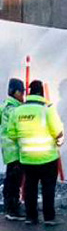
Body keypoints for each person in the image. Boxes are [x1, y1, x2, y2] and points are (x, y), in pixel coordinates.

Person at [6, 80, 64, 226]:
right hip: (47, 157)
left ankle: (31, 217)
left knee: (30, 187)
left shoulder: (17, 111)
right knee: (48, 187)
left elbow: (11, 134)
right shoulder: (47, 109)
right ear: (42, 93)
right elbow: (57, 131)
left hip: (26, 158)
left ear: (29, 92)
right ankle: (49, 218)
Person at [0, 78, 25, 221]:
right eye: (21, 93)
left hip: (7, 150)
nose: (23, 96)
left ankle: (9, 206)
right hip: (16, 150)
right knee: (15, 180)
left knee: (10, 178)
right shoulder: (16, 110)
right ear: (15, 92)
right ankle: (13, 209)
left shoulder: (3, 106)